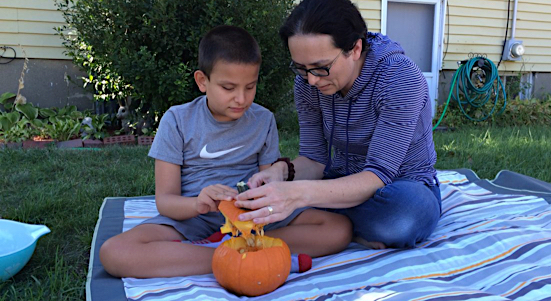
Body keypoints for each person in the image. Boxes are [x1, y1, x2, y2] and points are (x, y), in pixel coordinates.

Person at [99, 25, 352, 278]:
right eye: (228, 88)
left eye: (250, 87)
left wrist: (260, 200)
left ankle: (237, 248)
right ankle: (235, 256)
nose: (241, 99)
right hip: (193, 219)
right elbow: (165, 202)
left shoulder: (263, 120)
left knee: (338, 229)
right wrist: (198, 204)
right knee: (115, 252)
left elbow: (269, 183)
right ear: (202, 81)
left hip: (253, 219)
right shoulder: (177, 120)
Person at [235, 0, 441, 250]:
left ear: (355, 49)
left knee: (404, 215)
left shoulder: (399, 78)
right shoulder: (307, 85)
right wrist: (281, 174)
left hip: (400, 186)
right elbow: (314, 160)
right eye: (300, 68)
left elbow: (378, 175)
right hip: (339, 181)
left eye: (321, 68)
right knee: (271, 202)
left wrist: (298, 195)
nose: (311, 80)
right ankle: (341, 228)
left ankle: (330, 226)